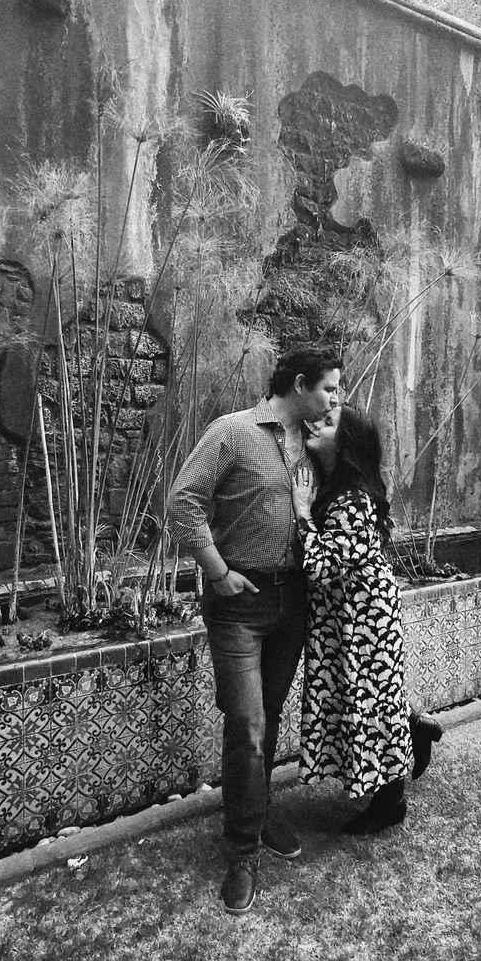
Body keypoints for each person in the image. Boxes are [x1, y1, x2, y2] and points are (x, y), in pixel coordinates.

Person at [166, 346, 343, 915]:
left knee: (265, 717)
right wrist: (217, 573)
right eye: (330, 388)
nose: (336, 398)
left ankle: (259, 813)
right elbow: (182, 502)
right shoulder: (232, 433)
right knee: (247, 723)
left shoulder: (315, 443)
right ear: (298, 383)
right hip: (239, 604)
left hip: (293, 601)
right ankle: (242, 851)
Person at [291, 405, 442, 833]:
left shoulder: (353, 498)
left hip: (364, 620)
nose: (315, 424)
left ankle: (390, 801)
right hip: (351, 616)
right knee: (369, 698)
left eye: (328, 422)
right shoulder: (340, 488)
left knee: (369, 702)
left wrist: (303, 513)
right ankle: (413, 729)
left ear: (347, 443)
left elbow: (322, 565)